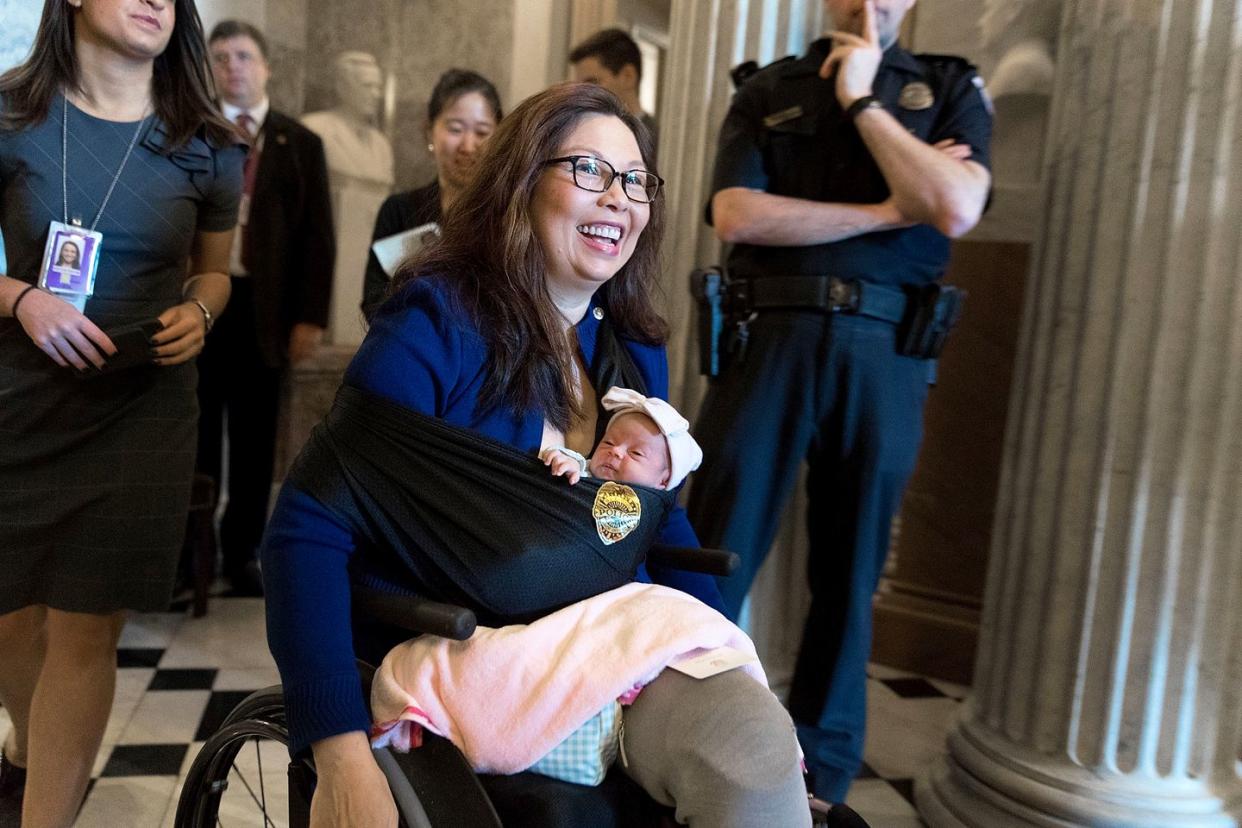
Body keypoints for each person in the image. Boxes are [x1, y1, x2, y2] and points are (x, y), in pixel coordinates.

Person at [261, 82, 810, 828]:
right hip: (462, 661)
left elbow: (652, 524)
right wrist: (339, 751)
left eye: (635, 180)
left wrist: (722, 657)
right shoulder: (435, 323)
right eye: (588, 170)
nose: (619, 198)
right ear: (520, 182)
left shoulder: (631, 347)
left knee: (753, 760)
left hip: (604, 652)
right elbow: (307, 528)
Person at [686, 0, 993, 804]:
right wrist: (896, 206)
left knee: (851, 573)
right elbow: (737, 214)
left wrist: (863, 104)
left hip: (886, 349)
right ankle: (676, 742)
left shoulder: (947, 88)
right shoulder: (767, 90)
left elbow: (957, 206)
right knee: (714, 550)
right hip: (770, 338)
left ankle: (818, 782)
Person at [0, 0, 244, 824]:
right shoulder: (10, 115)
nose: (156, 2)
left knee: (85, 629)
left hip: (142, 408)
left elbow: (214, 274)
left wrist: (202, 313)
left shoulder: (206, 143)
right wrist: (23, 299)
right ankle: (27, 746)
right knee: (11, 618)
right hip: (22, 403)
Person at [198, 19, 335, 596]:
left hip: (266, 310)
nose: (234, 66)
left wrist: (309, 321)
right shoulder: (193, 132)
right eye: (222, 57)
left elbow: (317, 240)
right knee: (198, 434)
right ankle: (192, 555)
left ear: (266, 66)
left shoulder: (298, 143)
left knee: (255, 440)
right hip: (200, 302)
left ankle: (241, 555)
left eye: (245, 56)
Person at [361, 68, 501, 315]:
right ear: (429, 131)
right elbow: (373, 301)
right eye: (455, 129)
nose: (468, 146)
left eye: (482, 132)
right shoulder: (399, 210)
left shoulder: (508, 214)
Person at [541, 386, 702, 490]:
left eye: (636, 453)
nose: (615, 450)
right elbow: (574, 463)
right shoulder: (584, 472)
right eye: (608, 442)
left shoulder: (651, 510)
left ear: (663, 481)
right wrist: (566, 463)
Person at [569, 28, 657, 141]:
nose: (582, 93)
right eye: (580, 86)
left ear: (628, 77)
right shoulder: (586, 136)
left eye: (592, 82)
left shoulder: (660, 144)